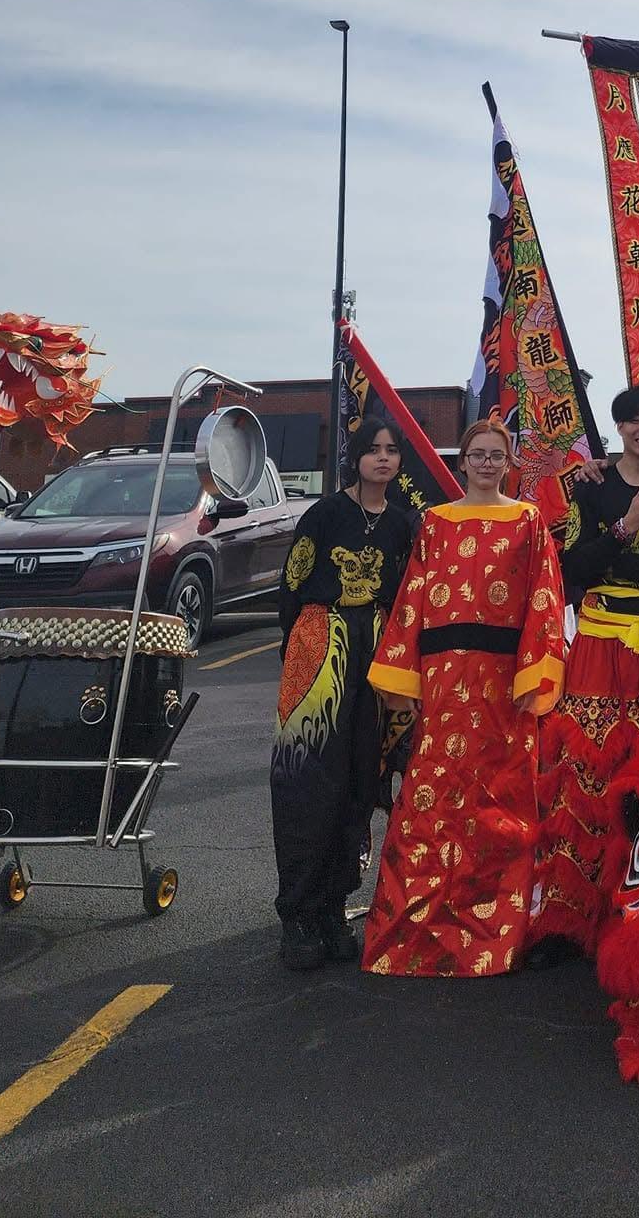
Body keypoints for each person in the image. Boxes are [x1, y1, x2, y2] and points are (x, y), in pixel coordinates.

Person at [359, 417, 565, 977]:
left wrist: (533, 676)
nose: (487, 464)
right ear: (463, 462)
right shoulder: (435, 522)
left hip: (505, 681)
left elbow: (544, 598)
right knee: (432, 800)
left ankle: (496, 936)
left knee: (502, 801)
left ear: (509, 462)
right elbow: (413, 597)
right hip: (444, 678)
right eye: (478, 454)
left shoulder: (528, 520)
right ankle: (417, 933)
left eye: (497, 455)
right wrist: (406, 679)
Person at [529, 385, 639, 958]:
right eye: (634, 420)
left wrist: (618, 556)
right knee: (586, 768)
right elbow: (572, 566)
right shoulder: (591, 487)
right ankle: (570, 917)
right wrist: (626, 528)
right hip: (598, 640)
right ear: (621, 427)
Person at [271, 420, 417, 970]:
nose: (383, 458)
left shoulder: (403, 523)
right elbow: (292, 587)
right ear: (355, 458)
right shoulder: (324, 514)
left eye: (392, 450)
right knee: (308, 782)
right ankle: (297, 914)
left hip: (376, 653)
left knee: (361, 780)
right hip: (321, 646)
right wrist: (302, 654)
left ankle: (334, 908)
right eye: (372, 450)